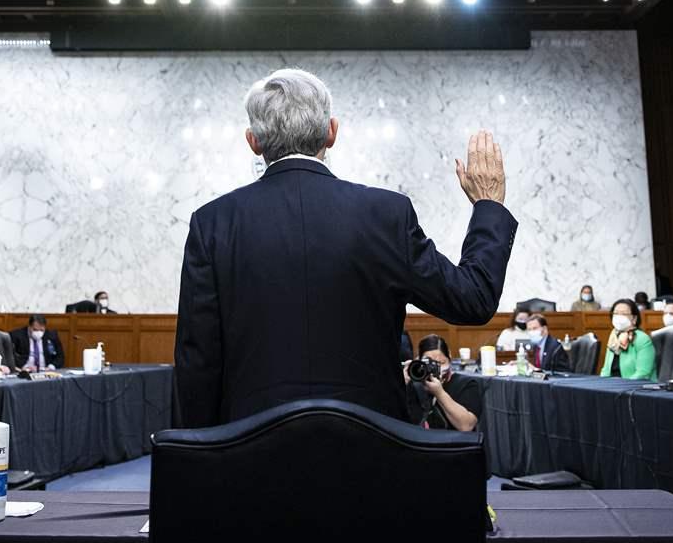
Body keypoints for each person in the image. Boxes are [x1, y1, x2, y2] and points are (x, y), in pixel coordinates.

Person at [174, 69, 516, 427]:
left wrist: (203, 453)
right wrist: (488, 207)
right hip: (371, 447)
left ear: (253, 141)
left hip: (249, 447)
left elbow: (197, 360)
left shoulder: (212, 222)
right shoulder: (386, 215)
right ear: (331, 132)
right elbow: (473, 298)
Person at [403, 335, 482, 431]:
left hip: (454, 444)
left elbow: (466, 425)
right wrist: (402, 384)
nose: (435, 368)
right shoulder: (415, 385)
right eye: (429, 363)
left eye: (441, 363)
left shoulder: (466, 384)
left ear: (450, 358)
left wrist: (439, 393)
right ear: (419, 360)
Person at [599, 298, 655, 380]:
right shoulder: (614, 335)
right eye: (616, 313)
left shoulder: (642, 339)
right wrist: (601, 383)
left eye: (623, 314)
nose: (619, 317)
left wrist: (622, 386)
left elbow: (643, 373)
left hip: (635, 387)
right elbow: (606, 369)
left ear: (634, 319)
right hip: (612, 386)